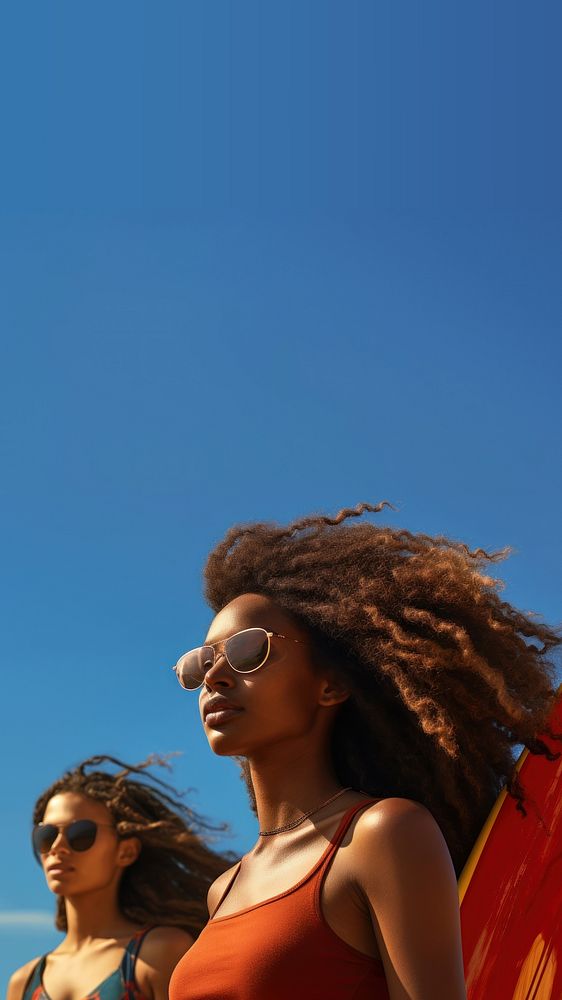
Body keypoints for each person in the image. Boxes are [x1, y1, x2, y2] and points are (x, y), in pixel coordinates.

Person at [168, 502, 560, 1000]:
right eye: (202, 662)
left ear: (331, 685)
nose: (216, 676)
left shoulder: (382, 835)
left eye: (249, 650)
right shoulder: (222, 891)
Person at [7, 755, 232, 1000]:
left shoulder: (159, 952)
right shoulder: (23, 983)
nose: (58, 847)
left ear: (126, 851)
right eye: (46, 835)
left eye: (81, 834)